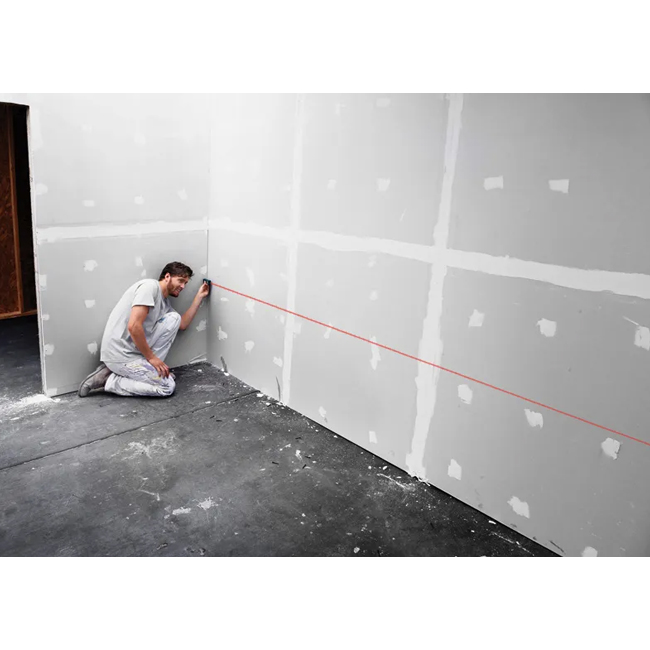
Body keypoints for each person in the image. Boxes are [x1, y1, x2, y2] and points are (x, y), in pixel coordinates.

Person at [78, 261, 210, 398]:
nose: (183, 286)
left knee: (174, 318)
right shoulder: (149, 287)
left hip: (134, 353)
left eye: (185, 283)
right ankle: (108, 380)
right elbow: (134, 326)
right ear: (167, 277)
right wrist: (152, 358)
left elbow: (182, 324)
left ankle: (140, 372)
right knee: (166, 386)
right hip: (119, 354)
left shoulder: (164, 303)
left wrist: (199, 297)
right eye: (181, 281)